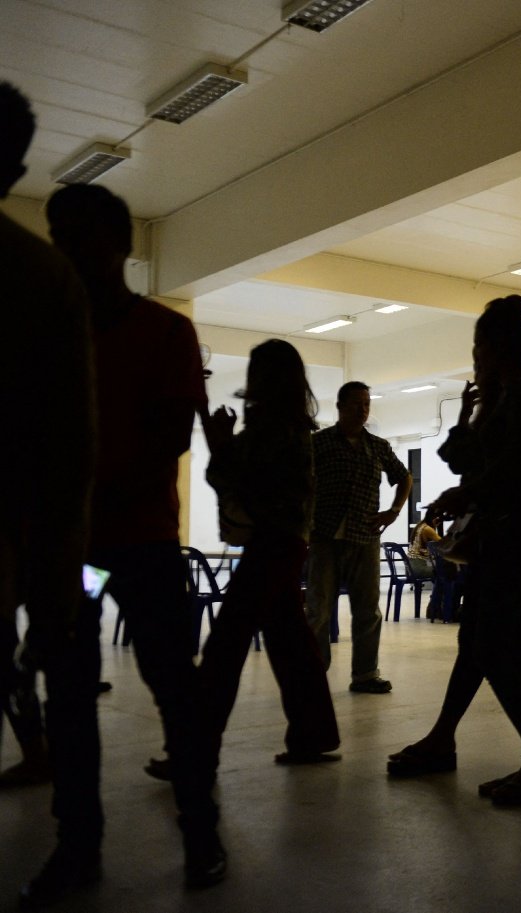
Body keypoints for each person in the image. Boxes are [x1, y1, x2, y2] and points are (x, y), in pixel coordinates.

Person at [45, 182, 225, 891]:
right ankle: (78, 842)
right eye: (61, 239)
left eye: (81, 238)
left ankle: (199, 830)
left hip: (136, 544)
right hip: (82, 551)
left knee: (171, 687)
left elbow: (169, 438)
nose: (69, 252)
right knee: (69, 691)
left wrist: (79, 499)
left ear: (121, 247)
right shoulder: (49, 335)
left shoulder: (164, 332)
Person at [403, 294, 521, 804]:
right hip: (502, 534)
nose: (475, 355)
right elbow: (462, 459)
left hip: (515, 534)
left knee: (497, 647)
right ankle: (449, 737)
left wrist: (467, 493)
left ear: (497, 348)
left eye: (479, 345)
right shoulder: (503, 398)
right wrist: (467, 413)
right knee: (482, 644)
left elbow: (511, 472)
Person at [0, 82, 97, 906]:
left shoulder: (41, 275)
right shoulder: (42, 275)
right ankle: (71, 830)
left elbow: (72, 438)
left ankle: (71, 826)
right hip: (27, 527)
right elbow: (74, 438)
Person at [199, 339, 340, 770]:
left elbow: (228, 476)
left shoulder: (270, 429)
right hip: (288, 541)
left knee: (227, 643)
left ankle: (195, 747)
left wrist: (220, 442)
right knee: (289, 641)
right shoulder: (291, 427)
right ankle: (313, 735)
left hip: (271, 543)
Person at [306, 381, 412, 693]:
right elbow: (300, 482)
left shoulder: (378, 446)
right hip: (324, 537)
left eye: (366, 404)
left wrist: (394, 511)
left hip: (365, 537)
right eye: (356, 404)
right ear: (340, 407)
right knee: (318, 609)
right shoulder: (319, 443)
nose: (362, 410)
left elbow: (404, 477)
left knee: (367, 609)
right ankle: (313, 673)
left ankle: (365, 675)